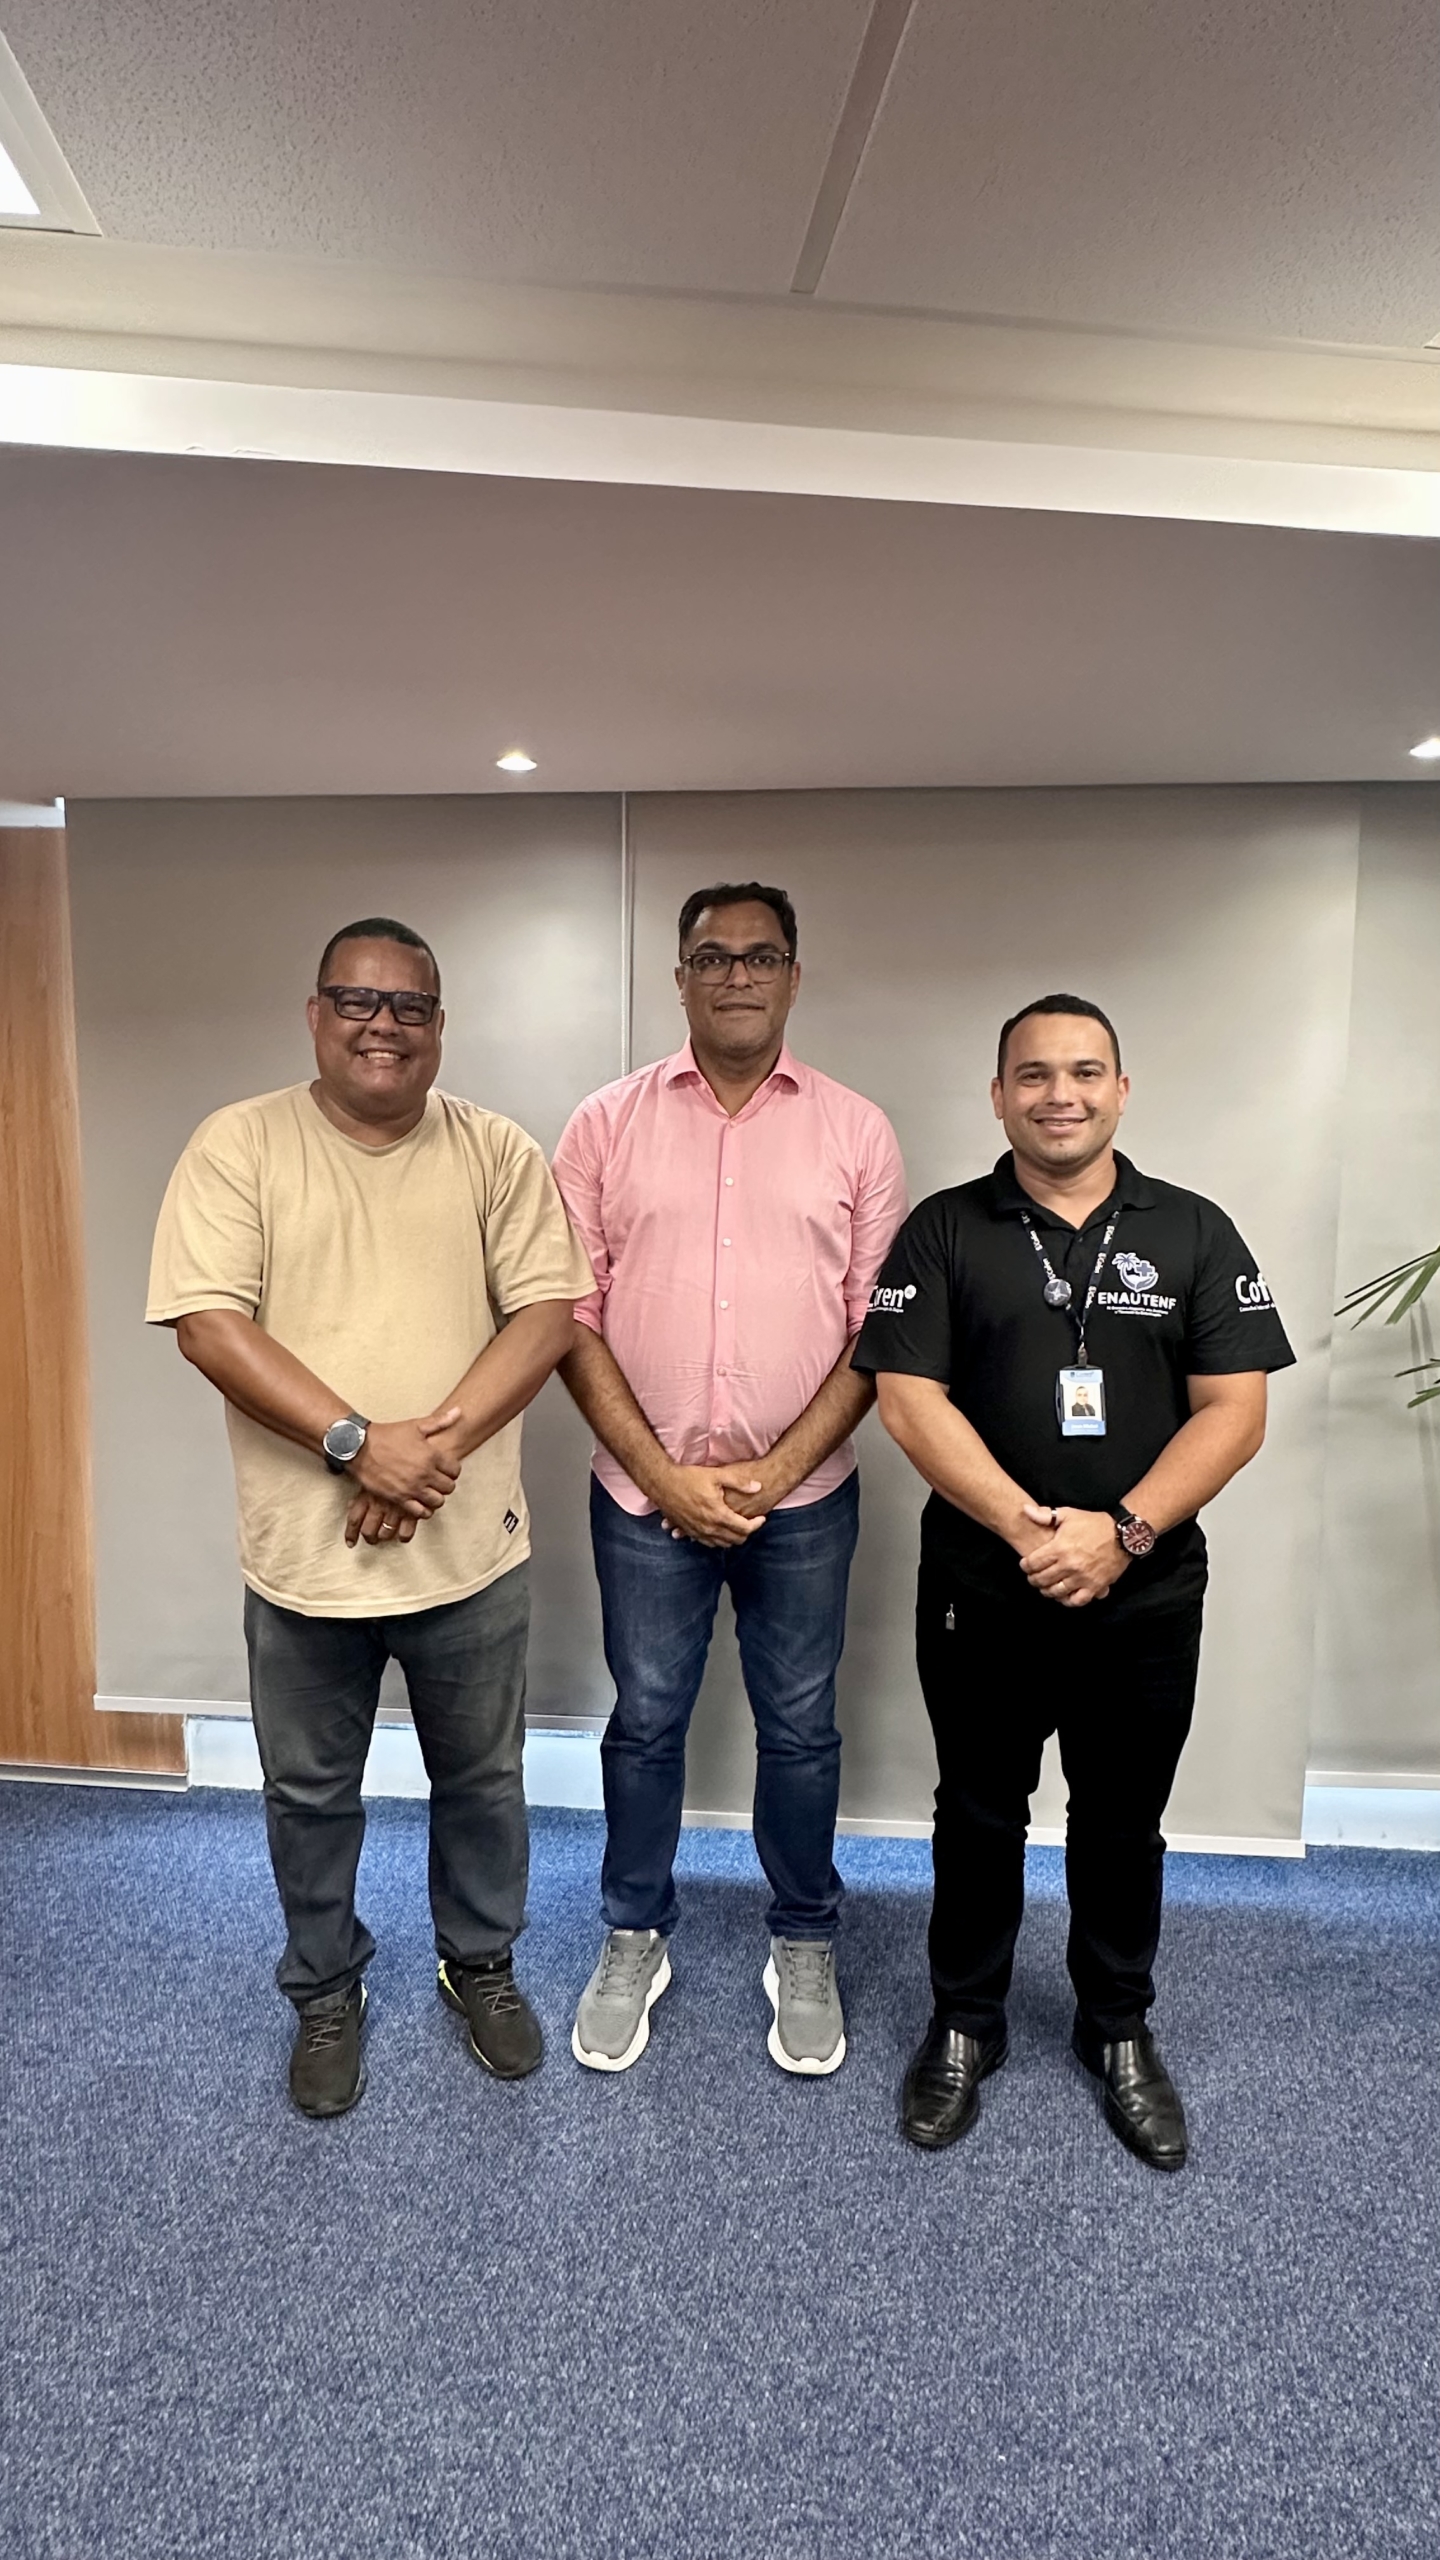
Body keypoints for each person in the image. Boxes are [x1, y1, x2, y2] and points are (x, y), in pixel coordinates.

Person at [146, 917, 592, 2119]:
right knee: (308, 1795)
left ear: (440, 1026)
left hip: (469, 1552)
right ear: (315, 1013)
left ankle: (478, 1962)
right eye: (357, 999)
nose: (382, 1024)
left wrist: (423, 1450)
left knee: (483, 1781)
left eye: (409, 1006)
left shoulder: (494, 1150)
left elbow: (548, 1314)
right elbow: (207, 1323)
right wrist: (356, 1443)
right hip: (303, 1564)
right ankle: (324, 1986)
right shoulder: (240, 1144)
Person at [851, 993, 1293, 2170]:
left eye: (1086, 1072)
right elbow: (908, 1400)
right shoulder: (945, 1230)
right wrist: (1031, 1528)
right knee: (977, 1812)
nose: (1061, 1095)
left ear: (1122, 1090)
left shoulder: (1194, 1230)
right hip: (984, 1591)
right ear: (999, 1096)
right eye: (1035, 1074)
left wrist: (1123, 1534)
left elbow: (1236, 1411)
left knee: (1122, 1819)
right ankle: (966, 2021)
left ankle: (1118, 2026)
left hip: (1146, 1595)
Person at [551, 882, 907, 2077]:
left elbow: (878, 1334)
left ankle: (803, 1936)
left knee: (800, 1727)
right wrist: (664, 1475)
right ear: (681, 978)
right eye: (712, 956)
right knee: (646, 1720)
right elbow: (569, 1317)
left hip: (802, 1502)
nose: (737, 975)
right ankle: (633, 1931)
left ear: (795, 976)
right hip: (640, 1496)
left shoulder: (858, 1131)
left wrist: (771, 1472)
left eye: (760, 956)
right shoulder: (603, 1124)